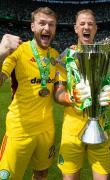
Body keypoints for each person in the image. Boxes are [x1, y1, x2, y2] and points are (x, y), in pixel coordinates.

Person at [54, 9, 110, 180]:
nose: (86, 27)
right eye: (82, 24)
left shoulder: (108, 55)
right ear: (76, 28)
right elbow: (58, 92)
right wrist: (69, 98)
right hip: (72, 129)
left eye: (90, 24)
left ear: (96, 28)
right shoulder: (66, 56)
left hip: (101, 127)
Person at [0, 7, 61, 180]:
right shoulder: (18, 51)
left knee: (41, 173)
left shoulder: (56, 56)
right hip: (20, 129)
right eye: (42, 23)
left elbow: (58, 91)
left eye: (51, 25)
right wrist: (1, 53)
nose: (47, 28)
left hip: (46, 129)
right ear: (32, 26)